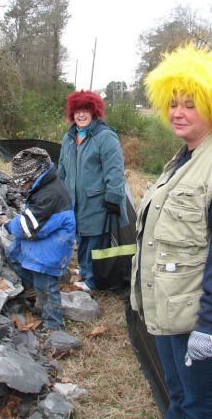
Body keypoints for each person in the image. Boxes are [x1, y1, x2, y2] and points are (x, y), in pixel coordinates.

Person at [130, 44, 212, 419]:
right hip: (173, 311)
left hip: (200, 322)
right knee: (180, 399)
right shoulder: (186, 158)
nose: (177, 112)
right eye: (173, 103)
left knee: (201, 409)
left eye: (190, 104)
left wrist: (210, 326)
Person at [58, 90, 128, 292]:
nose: (81, 115)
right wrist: (59, 191)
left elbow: (115, 169)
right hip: (75, 200)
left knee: (95, 240)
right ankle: (86, 270)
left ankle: (93, 281)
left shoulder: (105, 137)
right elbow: (62, 168)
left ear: (94, 112)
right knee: (81, 236)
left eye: (85, 111)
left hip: (97, 201)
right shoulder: (69, 137)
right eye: (77, 111)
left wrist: (114, 197)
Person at [0, 147, 75, 330]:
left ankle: (54, 326)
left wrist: (8, 225)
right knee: (14, 257)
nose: (22, 187)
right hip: (42, 244)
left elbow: (27, 227)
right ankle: (32, 295)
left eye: (24, 183)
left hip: (49, 251)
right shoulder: (45, 185)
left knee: (47, 288)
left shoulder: (49, 195)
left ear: (35, 175)